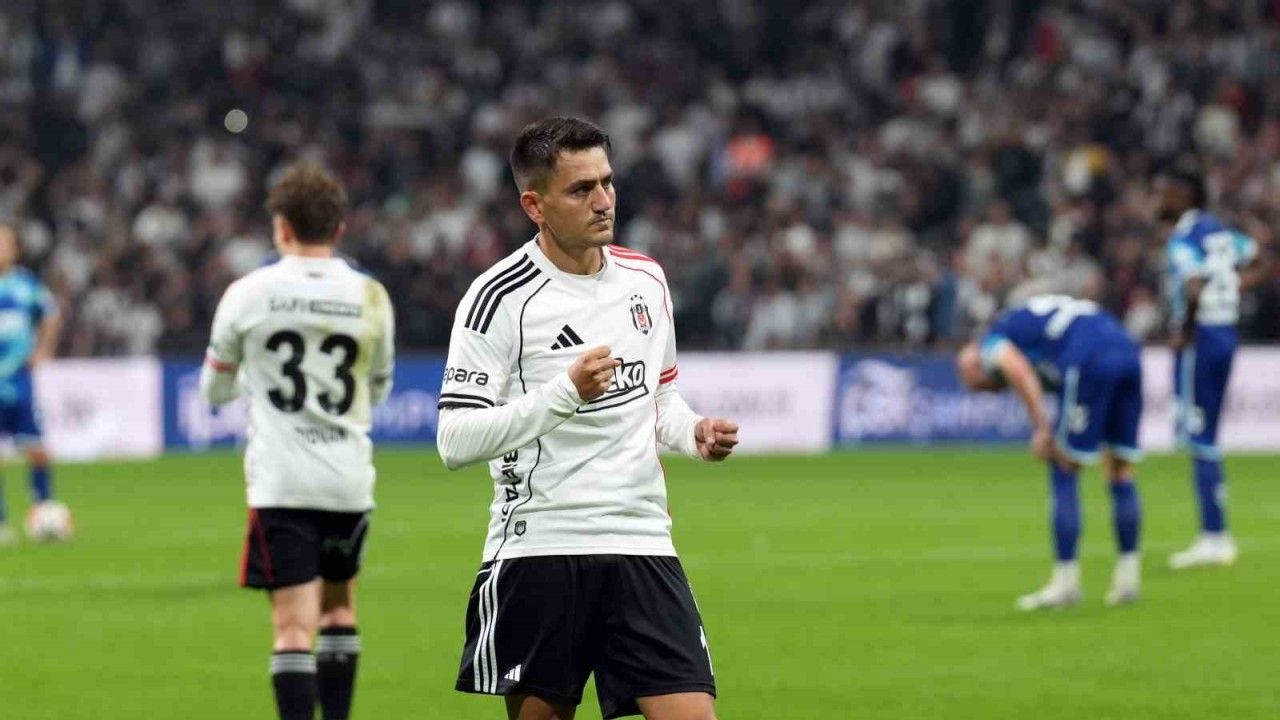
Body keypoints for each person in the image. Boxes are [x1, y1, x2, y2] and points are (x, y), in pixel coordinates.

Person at [437, 117, 740, 720]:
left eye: (607, 182)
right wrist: (565, 392)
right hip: (542, 546)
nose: (603, 201)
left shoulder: (646, 279)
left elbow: (660, 399)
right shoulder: (499, 297)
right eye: (581, 189)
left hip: (642, 541)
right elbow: (455, 439)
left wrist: (693, 433)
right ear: (535, 205)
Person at [198, 165, 395, 720]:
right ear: (339, 228)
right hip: (348, 479)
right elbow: (379, 387)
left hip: (281, 482)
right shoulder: (371, 295)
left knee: (291, 626)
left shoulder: (248, 293)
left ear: (281, 227)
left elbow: (213, 390)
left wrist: (252, 377)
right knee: (339, 611)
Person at [956, 295, 1143, 610]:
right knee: (1120, 469)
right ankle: (1128, 578)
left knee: (1063, 465)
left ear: (974, 360)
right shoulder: (1030, 322)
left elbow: (1017, 371)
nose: (993, 387)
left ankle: (1065, 584)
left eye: (984, 383)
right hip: (1127, 349)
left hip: (1089, 357)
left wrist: (1042, 428)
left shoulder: (992, 342)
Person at [1155, 163, 1268, 570]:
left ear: (1185, 195)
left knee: (1200, 436)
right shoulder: (1219, 231)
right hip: (1226, 332)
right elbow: (1261, 260)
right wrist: (1234, 288)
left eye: (1165, 191)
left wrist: (1184, 330)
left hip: (1202, 338)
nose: (1158, 198)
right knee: (1207, 435)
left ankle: (1214, 536)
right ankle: (1214, 534)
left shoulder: (1185, 237)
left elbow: (1191, 287)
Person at [0, 223, 60, 546]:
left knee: (37, 450)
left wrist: (44, 350)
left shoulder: (26, 285)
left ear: (15, 249)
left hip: (20, 381)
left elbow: (51, 314)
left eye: (6, 243)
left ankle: (44, 510)